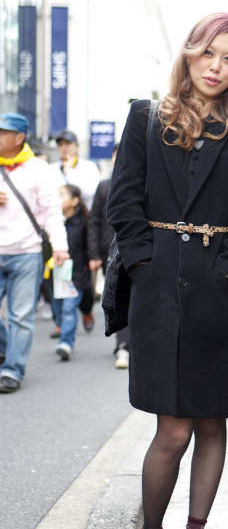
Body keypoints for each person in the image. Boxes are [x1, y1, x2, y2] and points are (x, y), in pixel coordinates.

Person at [107, 13, 228, 529]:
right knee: (172, 430)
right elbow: (124, 198)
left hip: (221, 296)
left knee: (211, 424)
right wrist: (143, 263)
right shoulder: (147, 118)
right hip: (159, 294)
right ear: (188, 53)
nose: (216, 67)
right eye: (209, 53)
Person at [0, 113, 68, 393]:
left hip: (27, 252)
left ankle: (12, 370)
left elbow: (52, 211)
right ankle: (6, 348)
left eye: (3, 132)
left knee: (21, 315)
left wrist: (60, 245)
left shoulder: (39, 169)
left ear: (19, 138)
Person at [50, 129, 100, 332]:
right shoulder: (52, 169)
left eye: (68, 144)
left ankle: (86, 308)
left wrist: (70, 172)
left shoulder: (88, 167)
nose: (64, 147)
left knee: (83, 277)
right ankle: (60, 320)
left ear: (76, 146)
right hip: (57, 225)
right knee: (53, 273)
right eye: (60, 144)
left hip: (83, 225)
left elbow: (91, 192)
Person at [88, 144, 130, 369]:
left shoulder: (146, 181)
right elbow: (94, 221)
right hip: (111, 254)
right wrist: (94, 253)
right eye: (115, 155)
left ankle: (134, 344)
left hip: (141, 250)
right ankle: (122, 346)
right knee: (119, 298)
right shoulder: (104, 186)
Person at [51, 184, 92, 361]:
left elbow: (90, 245)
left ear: (75, 201)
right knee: (58, 309)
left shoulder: (84, 223)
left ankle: (66, 343)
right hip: (56, 273)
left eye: (62, 196)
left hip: (76, 273)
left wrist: (93, 261)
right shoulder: (54, 222)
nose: (57, 200)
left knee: (69, 308)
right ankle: (65, 333)